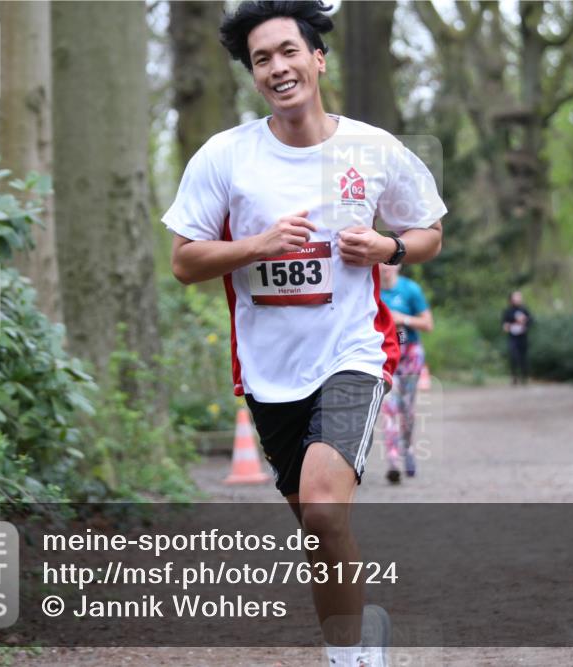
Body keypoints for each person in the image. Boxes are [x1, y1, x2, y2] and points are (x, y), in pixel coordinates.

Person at [163, 4, 446, 666]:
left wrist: (387, 245)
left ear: (318, 59)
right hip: (269, 369)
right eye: (262, 59)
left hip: (353, 350)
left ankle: (351, 662)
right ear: (253, 75)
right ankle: (357, 635)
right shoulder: (226, 157)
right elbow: (183, 260)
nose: (278, 67)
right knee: (318, 528)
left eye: (289, 51)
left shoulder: (372, 149)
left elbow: (428, 231)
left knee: (322, 509)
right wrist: (254, 246)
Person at [378, 264, 433, 484]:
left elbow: (428, 324)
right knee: (389, 408)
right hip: (384, 356)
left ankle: (408, 448)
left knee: (407, 409)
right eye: (381, 262)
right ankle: (393, 461)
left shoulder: (410, 289)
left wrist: (402, 319)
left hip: (410, 355)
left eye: (390, 262)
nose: (386, 267)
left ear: (398, 264)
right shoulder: (370, 290)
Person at [502, 291, 533, 385]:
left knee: (524, 357)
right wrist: (507, 326)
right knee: (513, 356)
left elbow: (531, 320)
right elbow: (504, 324)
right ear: (511, 299)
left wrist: (525, 324)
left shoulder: (524, 310)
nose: (519, 299)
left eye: (519, 297)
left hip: (523, 336)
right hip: (512, 337)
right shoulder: (508, 311)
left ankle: (525, 377)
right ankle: (514, 376)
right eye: (516, 297)